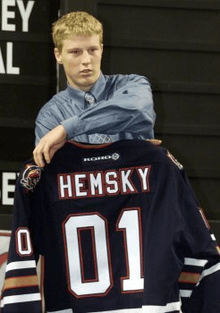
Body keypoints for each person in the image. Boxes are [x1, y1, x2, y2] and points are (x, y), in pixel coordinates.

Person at [33, 11, 157, 168]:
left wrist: (67, 129)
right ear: (58, 55)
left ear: (102, 49)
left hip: (140, 192)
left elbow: (137, 109)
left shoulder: (133, 85)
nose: (86, 60)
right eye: (75, 52)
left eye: (92, 50)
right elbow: (53, 178)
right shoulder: (51, 115)